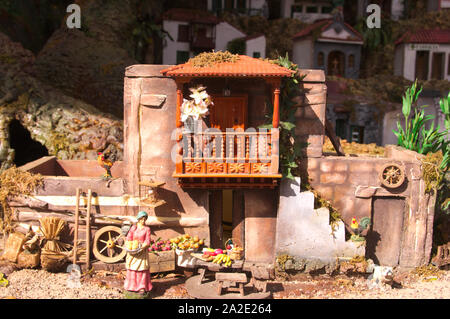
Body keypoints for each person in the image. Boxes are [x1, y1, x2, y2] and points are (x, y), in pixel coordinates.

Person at [124, 211, 153, 295]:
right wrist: (129, 245)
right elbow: (129, 238)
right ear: (138, 219)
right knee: (132, 268)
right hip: (133, 251)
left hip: (142, 251)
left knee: (142, 269)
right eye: (141, 219)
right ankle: (131, 286)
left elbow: (148, 240)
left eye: (144, 219)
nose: (143, 221)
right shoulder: (134, 228)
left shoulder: (147, 229)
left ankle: (142, 287)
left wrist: (142, 246)